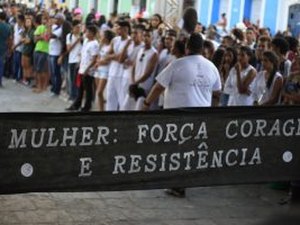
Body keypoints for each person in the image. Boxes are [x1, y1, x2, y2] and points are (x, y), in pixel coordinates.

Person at [143, 33, 221, 197]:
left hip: (177, 116)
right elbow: (216, 94)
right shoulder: (211, 67)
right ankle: (182, 182)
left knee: (176, 150)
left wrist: (147, 103)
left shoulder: (177, 64)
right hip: (200, 116)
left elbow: (158, 87)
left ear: (187, 47)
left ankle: (178, 184)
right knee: (189, 150)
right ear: (202, 48)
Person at [66, 25, 99, 112]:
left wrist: (87, 69)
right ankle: (77, 104)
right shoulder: (86, 41)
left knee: (88, 89)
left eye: (88, 32)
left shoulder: (94, 44)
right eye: (86, 31)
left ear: (93, 34)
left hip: (88, 71)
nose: (86, 33)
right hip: (82, 68)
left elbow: (94, 59)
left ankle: (87, 106)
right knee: (80, 88)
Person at [105, 20, 131, 111]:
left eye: (119, 28)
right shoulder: (115, 40)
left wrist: (114, 56)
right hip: (112, 73)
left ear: (125, 29)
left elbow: (122, 58)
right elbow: (106, 56)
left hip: (122, 75)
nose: (116, 30)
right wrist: (117, 56)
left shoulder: (129, 41)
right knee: (110, 98)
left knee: (122, 99)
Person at [94, 30, 115, 111]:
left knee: (99, 91)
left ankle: (103, 110)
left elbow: (108, 60)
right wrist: (98, 61)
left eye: (102, 36)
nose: (101, 37)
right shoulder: (101, 45)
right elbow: (98, 56)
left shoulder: (111, 46)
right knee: (99, 93)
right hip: (98, 69)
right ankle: (101, 109)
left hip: (106, 71)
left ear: (106, 37)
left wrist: (99, 62)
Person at [65, 20, 82, 101]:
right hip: (72, 60)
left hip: (80, 61)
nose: (79, 29)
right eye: (77, 27)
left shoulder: (83, 37)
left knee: (78, 80)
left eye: (80, 27)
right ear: (73, 27)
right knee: (72, 79)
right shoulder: (69, 36)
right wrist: (76, 41)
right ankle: (72, 95)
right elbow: (68, 49)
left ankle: (78, 95)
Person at [0, 11, 11, 87]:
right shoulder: (8, 27)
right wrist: (9, 48)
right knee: (1, 66)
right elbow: (9, 39)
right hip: (4, 47)